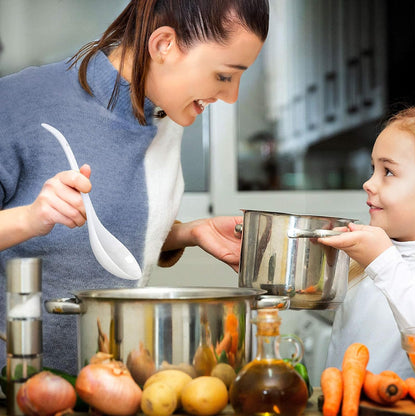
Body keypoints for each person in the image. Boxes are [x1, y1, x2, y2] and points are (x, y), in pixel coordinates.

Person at [0, 0, 269, 375]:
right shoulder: (19, 102)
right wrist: (31, 218)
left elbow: (112, 232)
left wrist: (187, 233)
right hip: (13, 389)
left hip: (111, 387)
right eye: (224, 76)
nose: (231, 96)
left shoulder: (166, 116)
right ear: (163, 45)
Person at [318, 107, 415, 380]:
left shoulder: (382, 260)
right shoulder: (370, 257)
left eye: (389, 172)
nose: (368, 183)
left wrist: (383, 262)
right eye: (373, 168)